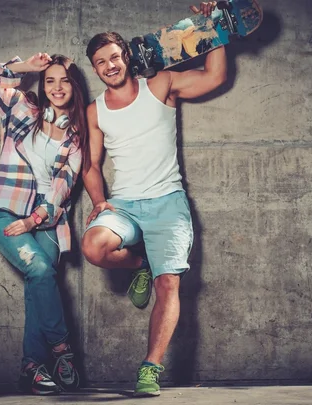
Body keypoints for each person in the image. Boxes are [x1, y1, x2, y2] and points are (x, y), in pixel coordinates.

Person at [81, 2, 226, 397]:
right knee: (93, 247)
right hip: (124, 206)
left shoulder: (160, 84)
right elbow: (90, 165)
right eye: (100, 62)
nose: (109, 66)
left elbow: (215, 76)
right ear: (95, 69)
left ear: (125, 56)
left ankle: (150, 368)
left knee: (168, 286)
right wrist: (99, 201)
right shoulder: (94, 111)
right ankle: (141, 263)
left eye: (113, 57)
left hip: (167, 204)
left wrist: (212, 25)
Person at [0, 52, 87, 395]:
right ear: (43, 84)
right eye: (50, 80)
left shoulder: (75, 140)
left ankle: (32, 366)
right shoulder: (23, 109)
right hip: (6, 210)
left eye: (64, 80)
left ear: (75, 87)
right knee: (41, 272)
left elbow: (61, 191)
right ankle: (61, 349)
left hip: (48, 222)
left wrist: (34, 220)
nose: (57, 87)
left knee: (36, 286)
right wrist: (26, 67)